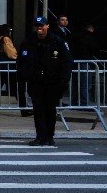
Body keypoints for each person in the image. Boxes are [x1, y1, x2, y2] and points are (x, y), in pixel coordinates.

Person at [16, 16, 73, 147]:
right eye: (37, 26)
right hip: (36, 82)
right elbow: (21, 61)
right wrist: (23, 76)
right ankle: (40, 137)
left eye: (42, 25)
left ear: (47, 26)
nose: (39, 28)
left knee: (50, 110)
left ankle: (49, 136)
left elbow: (67, 61)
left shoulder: (57, 41)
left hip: (53, 82)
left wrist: (64, 79)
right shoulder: (29, 42)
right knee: (38, 110)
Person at [70, 22, 99, 107]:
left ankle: (74, 104)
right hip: (85, 61)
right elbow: (95, 48)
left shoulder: (75, 36)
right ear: (91, 29)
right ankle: (84, 104)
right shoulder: (89, 37)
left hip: (75, 62)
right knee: (85, 84)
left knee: (75, 84)